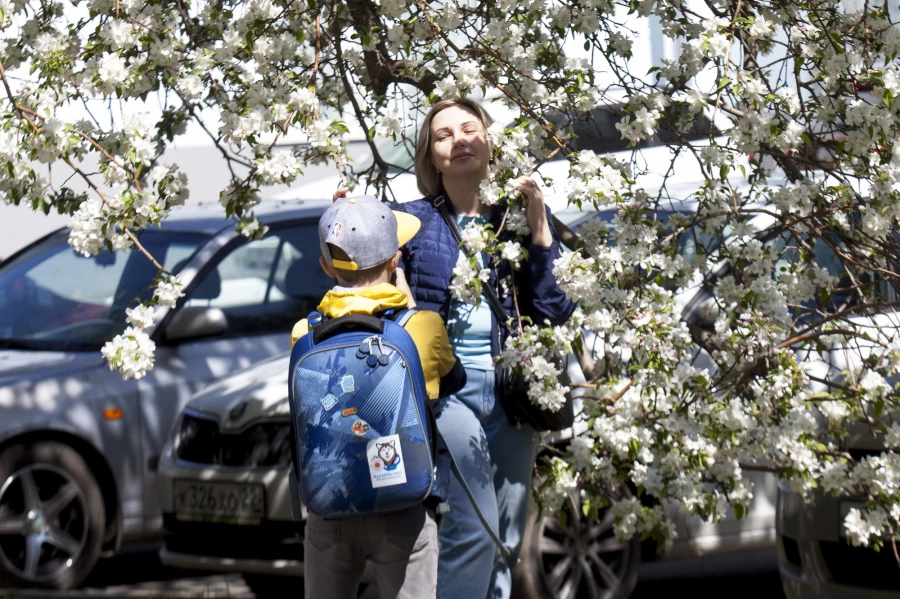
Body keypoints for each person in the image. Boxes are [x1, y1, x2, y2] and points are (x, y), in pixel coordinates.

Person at [355, 98, 575, 599]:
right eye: (443, 135)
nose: (459, 141)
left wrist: (539, 220)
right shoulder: (409, 222)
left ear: (489, 143)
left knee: (506, 542)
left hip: (512, 392)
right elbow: (361, 276)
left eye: (469, 129)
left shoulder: (515, 220)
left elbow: (554, 309)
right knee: (473, 530)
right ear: (430, 157)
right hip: (447, 392)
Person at [290, 195, 466, 599]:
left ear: (326, 267)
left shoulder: (304, 332)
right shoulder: (423, 325)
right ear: (395, 261)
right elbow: (453, 379)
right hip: (402, 500)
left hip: (328, 502)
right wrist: (411, 306)